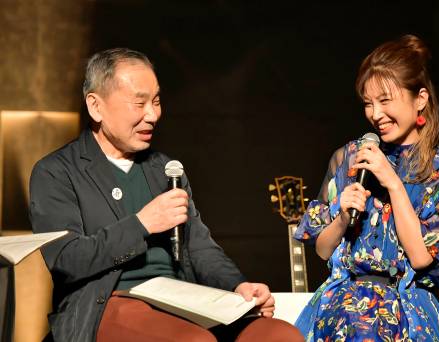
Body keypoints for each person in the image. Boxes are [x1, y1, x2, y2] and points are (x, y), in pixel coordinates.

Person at [29, 48, 303, 342]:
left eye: (156, 101)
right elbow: (67, 259)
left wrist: (238, 286)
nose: (153, 115)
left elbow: (199, 247)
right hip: (107, 302)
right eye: (139, 103)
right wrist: (142, 223)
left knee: (280, 335)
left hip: (182, 301)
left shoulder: (166, 170)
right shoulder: (56, 172)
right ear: (96, 107)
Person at [293, 34, 439, 341]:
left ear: (421, 99)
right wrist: (343, 217)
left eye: (385, 100)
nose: (375, 114)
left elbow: (421, 257)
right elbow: (322, 249)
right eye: (368, 103)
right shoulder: (348, 158)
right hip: (341, 310)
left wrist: (393, 184)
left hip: (406, 312)